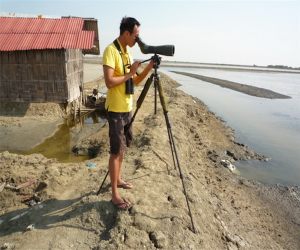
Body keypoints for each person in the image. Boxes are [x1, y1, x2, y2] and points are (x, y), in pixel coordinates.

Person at [102, 17, 154, 209]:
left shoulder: (126, 52)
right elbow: (109, 82)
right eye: (136, 35)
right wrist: (131, 73)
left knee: (123, 148)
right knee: (115, 152)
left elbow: (134, 81)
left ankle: (118, 179)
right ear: (126, 34)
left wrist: (148, 67)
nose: (137, 40)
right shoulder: (111, 50)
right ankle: (114, 194)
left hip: (126, 108)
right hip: (115, 109)